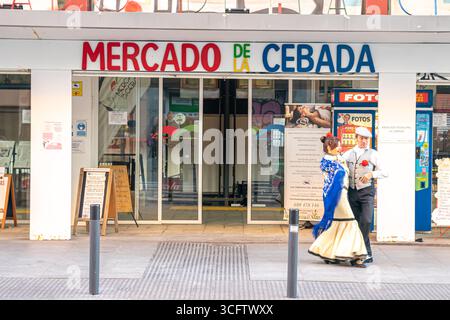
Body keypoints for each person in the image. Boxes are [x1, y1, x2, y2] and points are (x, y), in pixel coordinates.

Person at [308, 133, 368, 268]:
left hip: (342, 194)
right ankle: (357, 255)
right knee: (350, 222)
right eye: (337, 146)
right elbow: (336, 178)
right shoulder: (327, 162)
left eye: (340, 145)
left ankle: (325, 250)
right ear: (329, 147)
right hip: (336, 196)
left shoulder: (338, 158)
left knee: (337, 223)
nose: (340, 148)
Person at [342, 127, 388, 264]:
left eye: (366, 139)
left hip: (366, 192)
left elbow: (385, 172)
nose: (364, 141)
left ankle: (364, 251)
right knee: (354, 223)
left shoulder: (373, 154)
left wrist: (371, 174)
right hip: (352, 192)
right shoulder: (348, 154)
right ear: (356, 138)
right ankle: (361, 253)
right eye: (361, 138)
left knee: (366, 221)